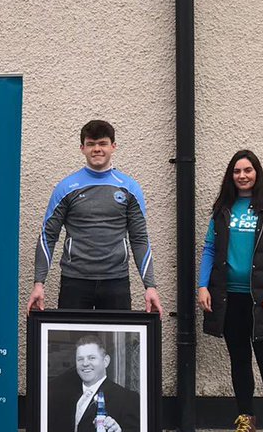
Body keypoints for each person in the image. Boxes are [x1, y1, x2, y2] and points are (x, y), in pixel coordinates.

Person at [197, 150, 263, 432]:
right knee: (239, 361)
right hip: (230, 298)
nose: (242, 175)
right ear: (231, 175)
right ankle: (245, 421)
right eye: (237, 171)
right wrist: (202, 286)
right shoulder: (223, 208)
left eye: (247, 170)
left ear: (257, 173)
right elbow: (210, 249)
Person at [28, 120, 164, 314]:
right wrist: (39, 283)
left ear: (113, 146)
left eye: (102, 143)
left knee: (116, 345)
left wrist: (150, 286)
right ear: (82, 148)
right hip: (74, 281)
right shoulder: (66, 187)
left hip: (116, 282)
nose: (97, 149)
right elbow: (47, 236)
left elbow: (139, 238)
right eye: (91, 144)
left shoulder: (129, 188)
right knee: (71, 344)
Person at [45, 335, 139, 432]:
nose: (85, 364)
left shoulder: (128, 399)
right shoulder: (65, 396)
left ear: (106, 361)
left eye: (91, 358)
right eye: (80, 359)